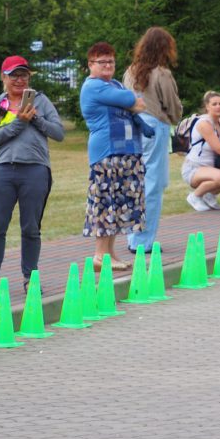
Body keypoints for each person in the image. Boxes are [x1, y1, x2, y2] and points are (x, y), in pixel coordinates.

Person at [0, 55, 65, 297]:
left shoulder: (41, 101)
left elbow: (58, 133)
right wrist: (20, 122)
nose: (19, 79)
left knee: (31, 228)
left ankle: (30, 279)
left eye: (23, 74)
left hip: (35, 170)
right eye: (13, 75)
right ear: (3, 77)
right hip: (2, 170)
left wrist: (35, 118)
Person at [80, 42, 150, 272]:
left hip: (127, 151)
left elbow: (138, 104)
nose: (108, 65)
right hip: (106, 151)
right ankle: (100, 255)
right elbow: (132, 100)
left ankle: (110, 253)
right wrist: (130, 101)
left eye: (111, 61)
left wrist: (131, 102)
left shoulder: (115, 85)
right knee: (105, 202)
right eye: (102, 62)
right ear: (91, 64)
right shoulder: (93, 86)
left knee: (118, 204)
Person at [122, 26, 182, 255]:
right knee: (153, 184)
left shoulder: (130, 72)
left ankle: (133, 235)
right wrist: (175, 117)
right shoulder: (161, 73)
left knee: (135, 182)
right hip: (154, 126)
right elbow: (172, 105)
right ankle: (143, 240)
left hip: (132, 126)